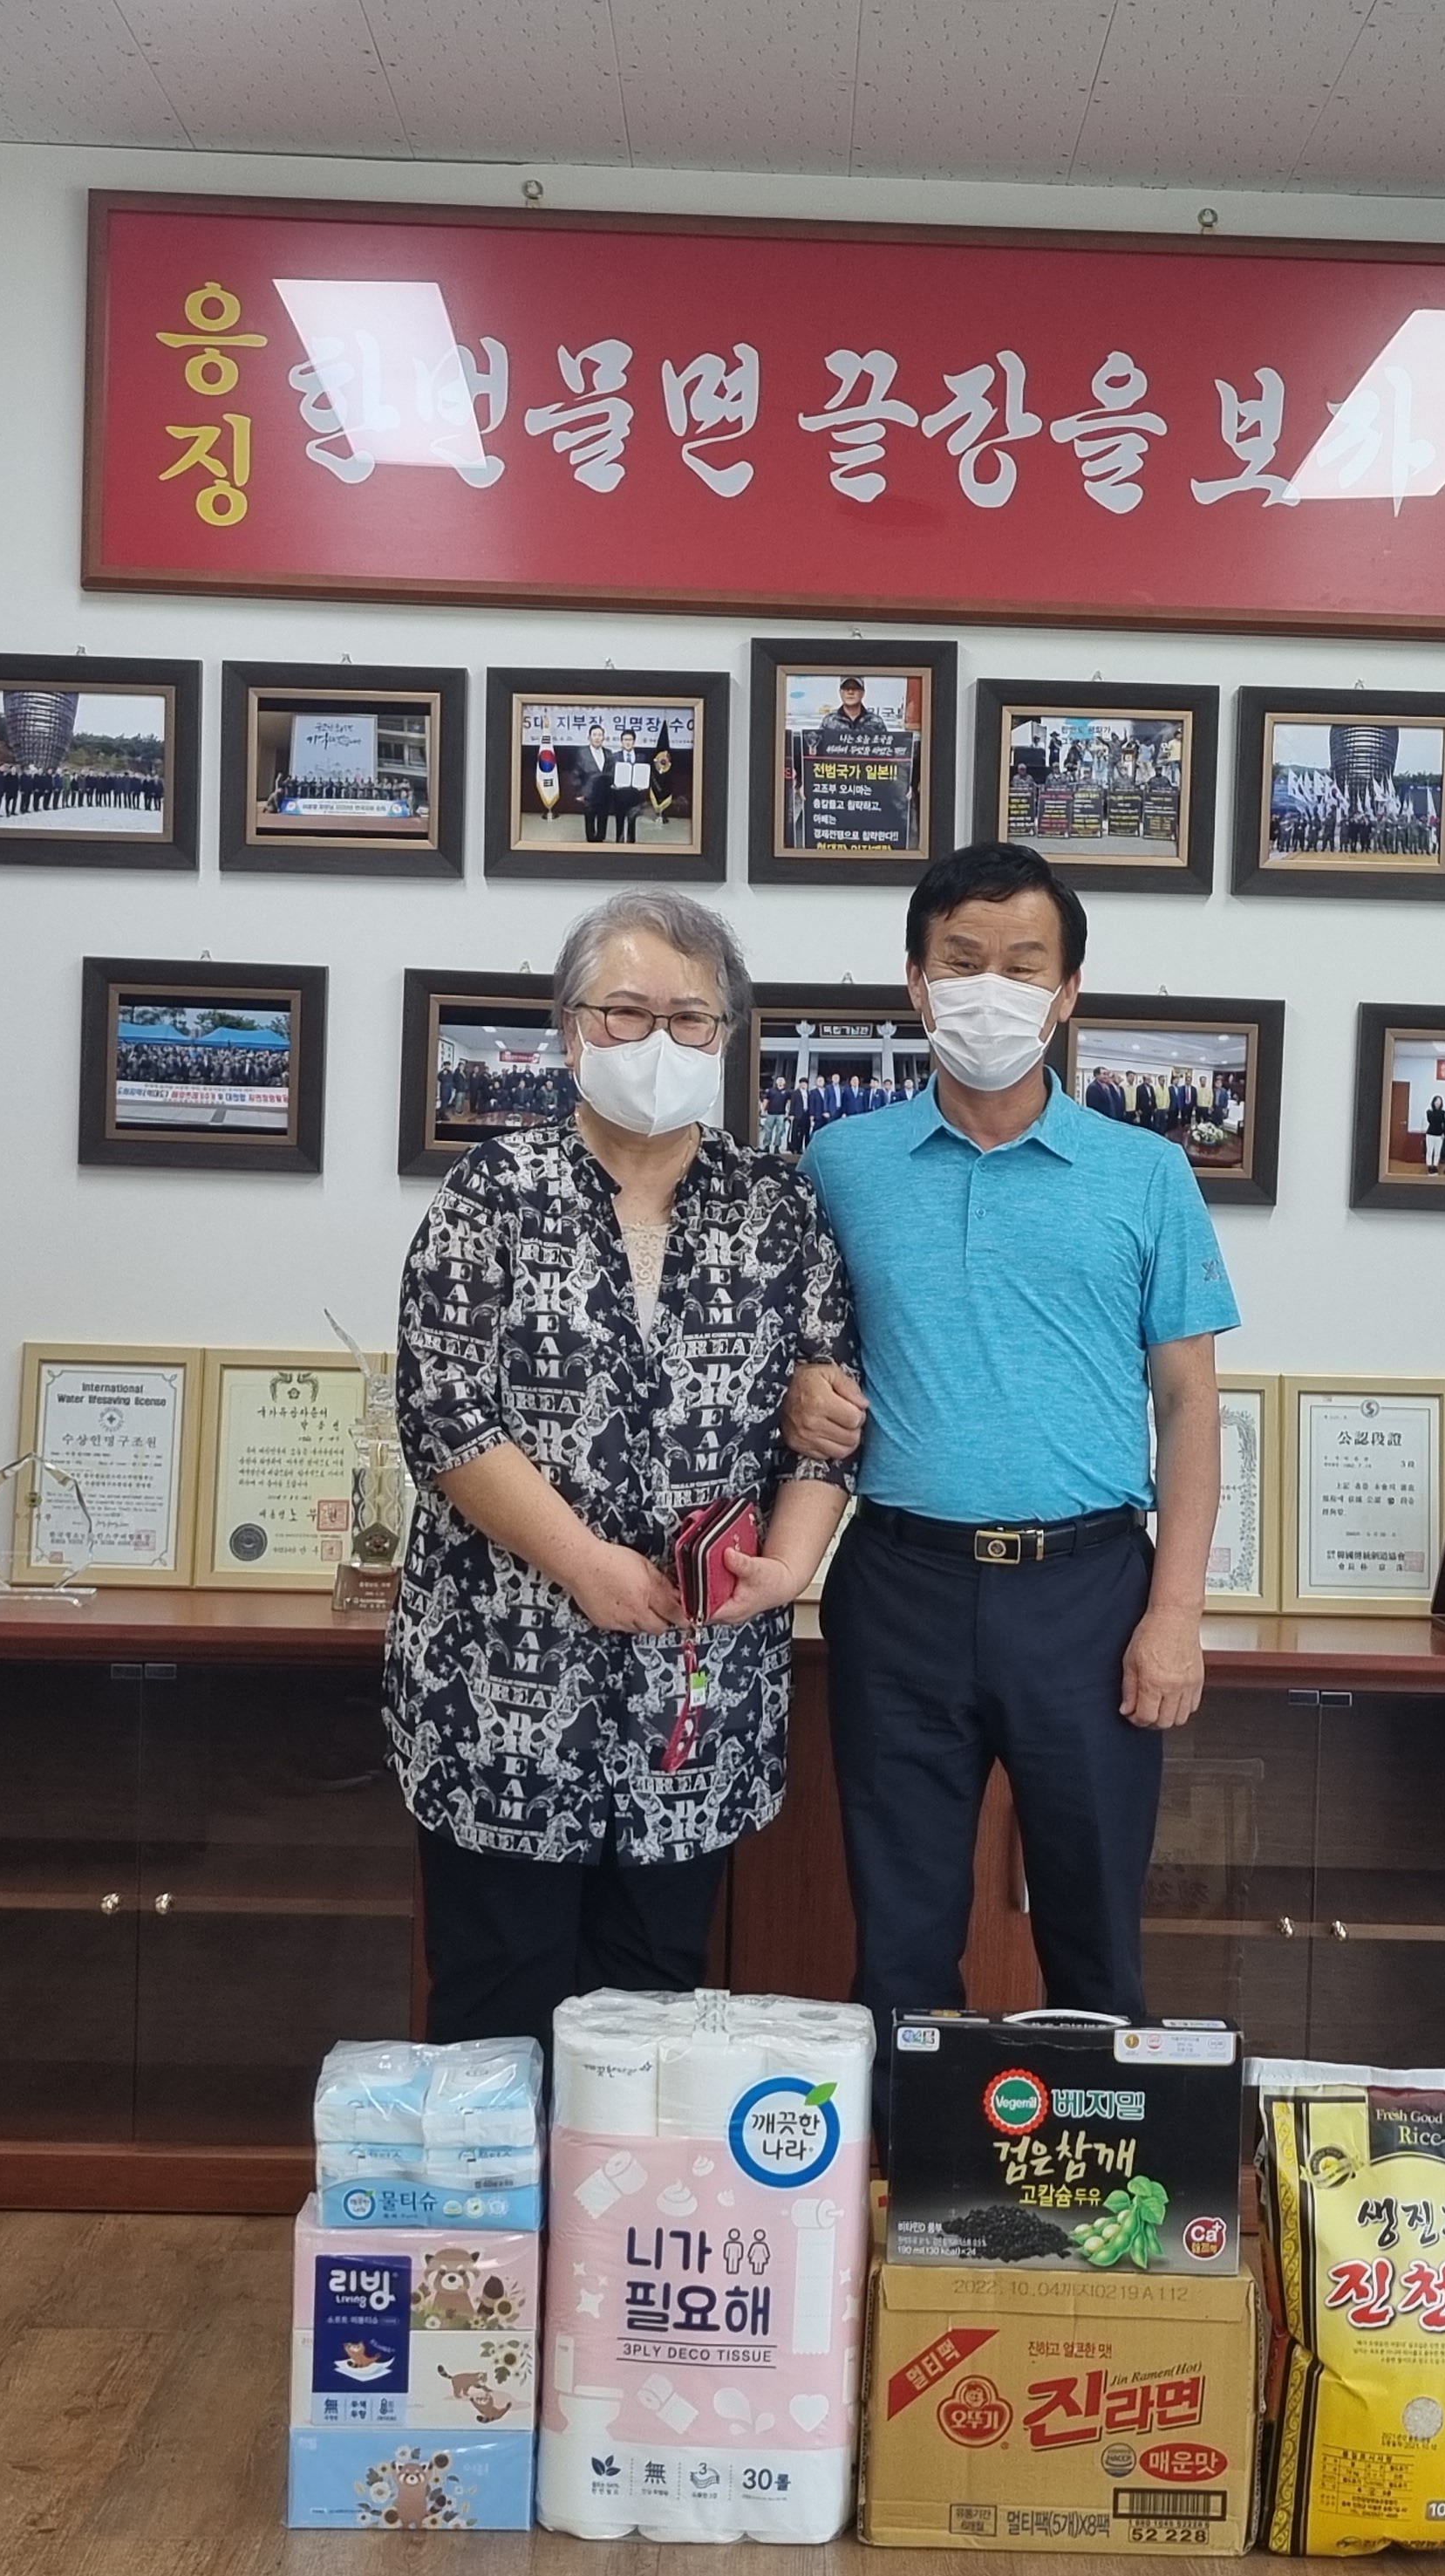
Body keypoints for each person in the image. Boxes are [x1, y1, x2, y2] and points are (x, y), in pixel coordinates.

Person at [781, 842, 1236, 2123]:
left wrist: (1176, 1612)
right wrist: (799, 1392)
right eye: (962, 962)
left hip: (1089, 1592)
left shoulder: (1144, 1174)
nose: (992, 989)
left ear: (1068, 991)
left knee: (1095, 1939)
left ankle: (1104, 2210)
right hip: (900, 1584)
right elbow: (791, 1352)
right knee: (901, 1943)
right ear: (916, 984)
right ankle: (904, 2201)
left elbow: (1191, 1404)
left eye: (1023, 967)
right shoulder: (840, 1165)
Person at [387, 891, 857, 2046]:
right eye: (627, 1012)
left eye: (690, 1018)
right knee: (497, 2004)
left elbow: (831, 1413)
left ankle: (616, 2182)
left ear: (724, 1038)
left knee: (649, 2021)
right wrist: (584, 1562)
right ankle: (496, 2182)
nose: (659, 1041)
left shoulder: (779, 1208)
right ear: (571, 1031)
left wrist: (790, 1565)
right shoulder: (492, 1195)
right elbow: (444, 1412)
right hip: (503, 1680)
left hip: (693, 1694)